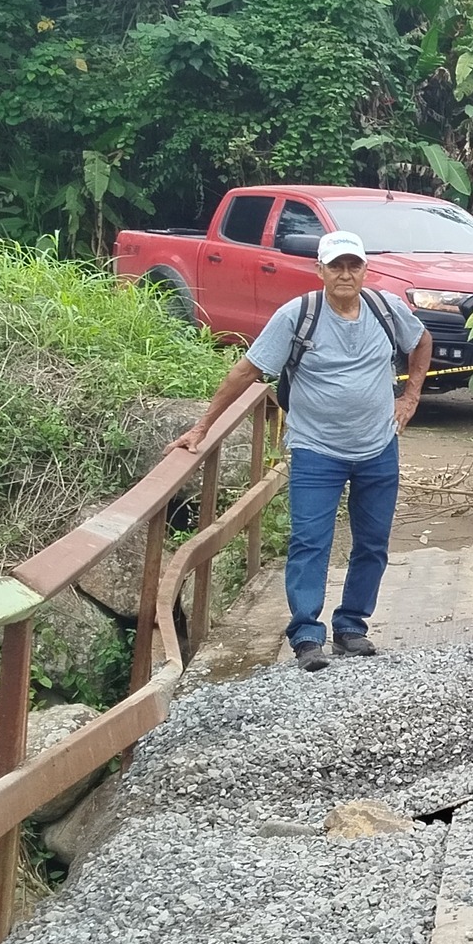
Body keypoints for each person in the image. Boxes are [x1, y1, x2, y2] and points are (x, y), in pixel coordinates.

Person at [176, 230, 430, 671]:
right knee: (310, 541)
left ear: (365, 270)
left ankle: (351, 627)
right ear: (320, 271)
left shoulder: (386, 309)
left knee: (373, 543)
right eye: (336, 266)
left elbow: (421, 341)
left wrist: (410, 398)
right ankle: (307, 635)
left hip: (377, 447)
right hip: (317, 450)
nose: (345, 274)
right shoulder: (298, 316)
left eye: (353, 265)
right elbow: (247, 371)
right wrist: (202, 427)